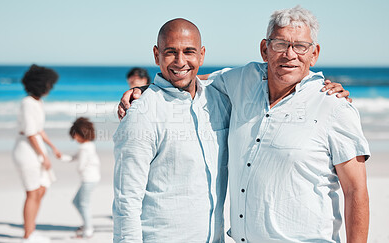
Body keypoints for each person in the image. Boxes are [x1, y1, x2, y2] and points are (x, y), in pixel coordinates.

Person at [118, 6, 368, 243]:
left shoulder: (334, 107)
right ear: (264, 49)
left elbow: (356, 191)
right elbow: (191, 76)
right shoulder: (240, 83)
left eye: (300, 46)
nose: (289, 54)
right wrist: (148, 90)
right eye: (280, 44)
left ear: (314, 54)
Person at [113, 18, 231, 243]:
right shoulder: (142, 113)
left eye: (189, 51)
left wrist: (318, 83)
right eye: (170, 52)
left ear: (202, 54)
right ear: (156, 55)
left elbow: (262, 78)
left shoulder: (221, 101)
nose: (180, 61)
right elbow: (125, 200)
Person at [12, 64, 61, 243]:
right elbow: (31, 132)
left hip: (36, 149)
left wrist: (52, 147)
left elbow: (39, 130)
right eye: (49, 84)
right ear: (40, 84)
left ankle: (31, 230)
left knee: (42, 189)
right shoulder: (27, 103)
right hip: (27, 151)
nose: (51, 87)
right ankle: (27, 235)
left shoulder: (37, 102)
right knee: (32, 192)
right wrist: (44, 156)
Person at [59, 117, 101, 239]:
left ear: (80, 134)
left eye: (75, 136)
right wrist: (61, 157)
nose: (74, 139)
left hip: (89, 179)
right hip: (92, 178)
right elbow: (74, 157)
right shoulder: (89, 145)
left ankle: (88, 229)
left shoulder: (84, 148)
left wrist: (80, 169)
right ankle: (87, 224)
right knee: (77, 202)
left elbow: (81, 165)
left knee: (83, 204)